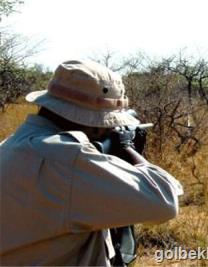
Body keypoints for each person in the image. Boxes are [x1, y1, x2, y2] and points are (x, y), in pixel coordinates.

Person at [0, 60, 183, 266]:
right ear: (96, 126)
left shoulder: (10, 145)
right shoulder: (68, 157)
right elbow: (163, 203)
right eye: (108, 125)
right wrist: (126, 147)